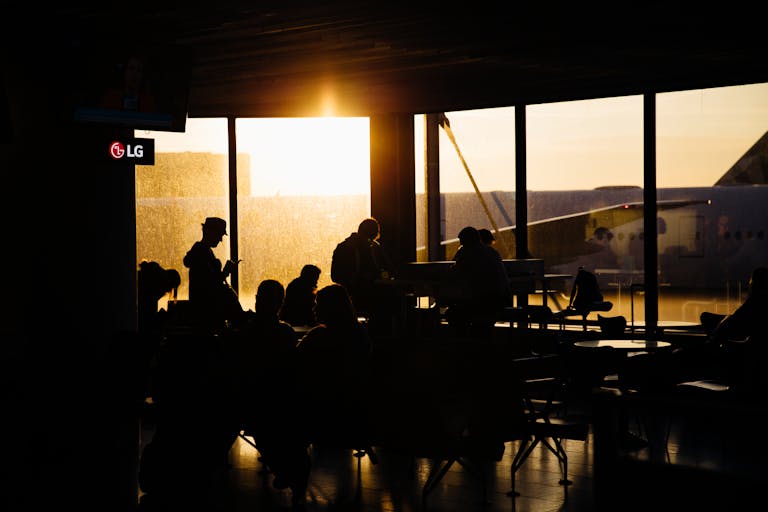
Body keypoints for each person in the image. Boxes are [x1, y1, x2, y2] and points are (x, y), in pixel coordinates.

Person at [229, 279, 310, 506]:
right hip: (281, 401)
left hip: (254, 401)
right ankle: (291, 470)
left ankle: (285, 468)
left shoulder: (246, 333)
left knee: (263, 428)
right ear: (280, 304)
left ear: (257, 300)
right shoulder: (285, 333)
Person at [295, 284, 374, 448]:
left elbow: (294, 361)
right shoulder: (359, 333)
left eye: (319, 305)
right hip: (352, 409)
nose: (314, 309)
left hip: (322, 410)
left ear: (330, 308)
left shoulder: (318, 337)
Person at [330, 217, 397, 335]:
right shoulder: (374, 248)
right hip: (365, 294)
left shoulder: (345, 248)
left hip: (355, 294)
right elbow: (389, 269)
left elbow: (335, 275)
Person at [443, 226, 512, 338]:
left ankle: (463, 343)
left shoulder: (467, 252)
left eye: (462, 243)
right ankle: (479, 340)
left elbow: (454, 272)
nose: (461, 246)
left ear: (466, 241)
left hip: (482, 302)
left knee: (452, 314)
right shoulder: (492, 252)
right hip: (500, 301)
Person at [182, 216, 243, 332]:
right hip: (208, 311)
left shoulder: (201, 251)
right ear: (210, 232)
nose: (220, 240)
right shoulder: (202, 252)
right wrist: (225, 272)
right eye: (219, 235)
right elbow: (210, 284)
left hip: (205, 309)